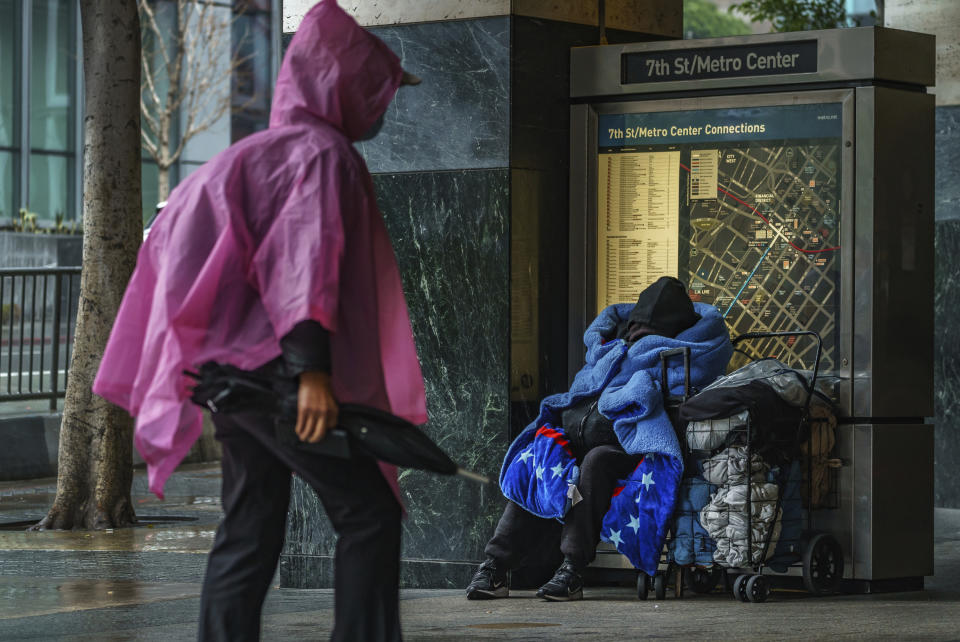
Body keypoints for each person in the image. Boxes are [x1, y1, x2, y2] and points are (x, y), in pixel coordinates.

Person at [92, 2, 427, 640]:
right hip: (277, 376)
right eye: (375, 89)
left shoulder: (255, 154)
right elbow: (301, 265)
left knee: (250, 524)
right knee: (368, 514)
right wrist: (311, 373)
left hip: (226, 377)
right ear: (343, 87)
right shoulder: (320, 153)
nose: (382, 108)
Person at [466, 277, 732, 601]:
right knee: (540, 456)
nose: (638, 335)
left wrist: (641, 389)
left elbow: (673, 396)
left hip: (628, 447)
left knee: (595, 463)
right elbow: (584, 386)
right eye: (636, 328)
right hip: (581, 436)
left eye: (647, 331)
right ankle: (495, 566)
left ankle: (572, 569)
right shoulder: (611, 345)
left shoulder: (684, 353)